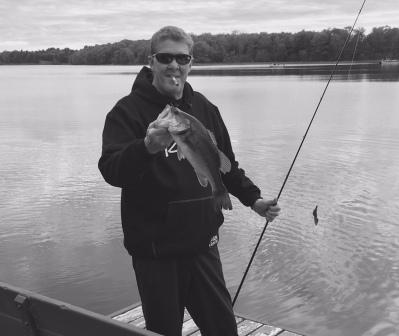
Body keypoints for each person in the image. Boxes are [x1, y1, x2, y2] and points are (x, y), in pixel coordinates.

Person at [98, 26, 280, 336]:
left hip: (202, 244)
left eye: (182, 58)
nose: (174, 65)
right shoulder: (126, 112)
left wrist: (254, 200)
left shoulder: (205, 109)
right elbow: (113, 171)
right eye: (165, 57)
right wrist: (146, 148)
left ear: (190, 62)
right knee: (164, 331)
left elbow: (225, 166)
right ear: (151, 61)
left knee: (223, 329)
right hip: (156, 252)